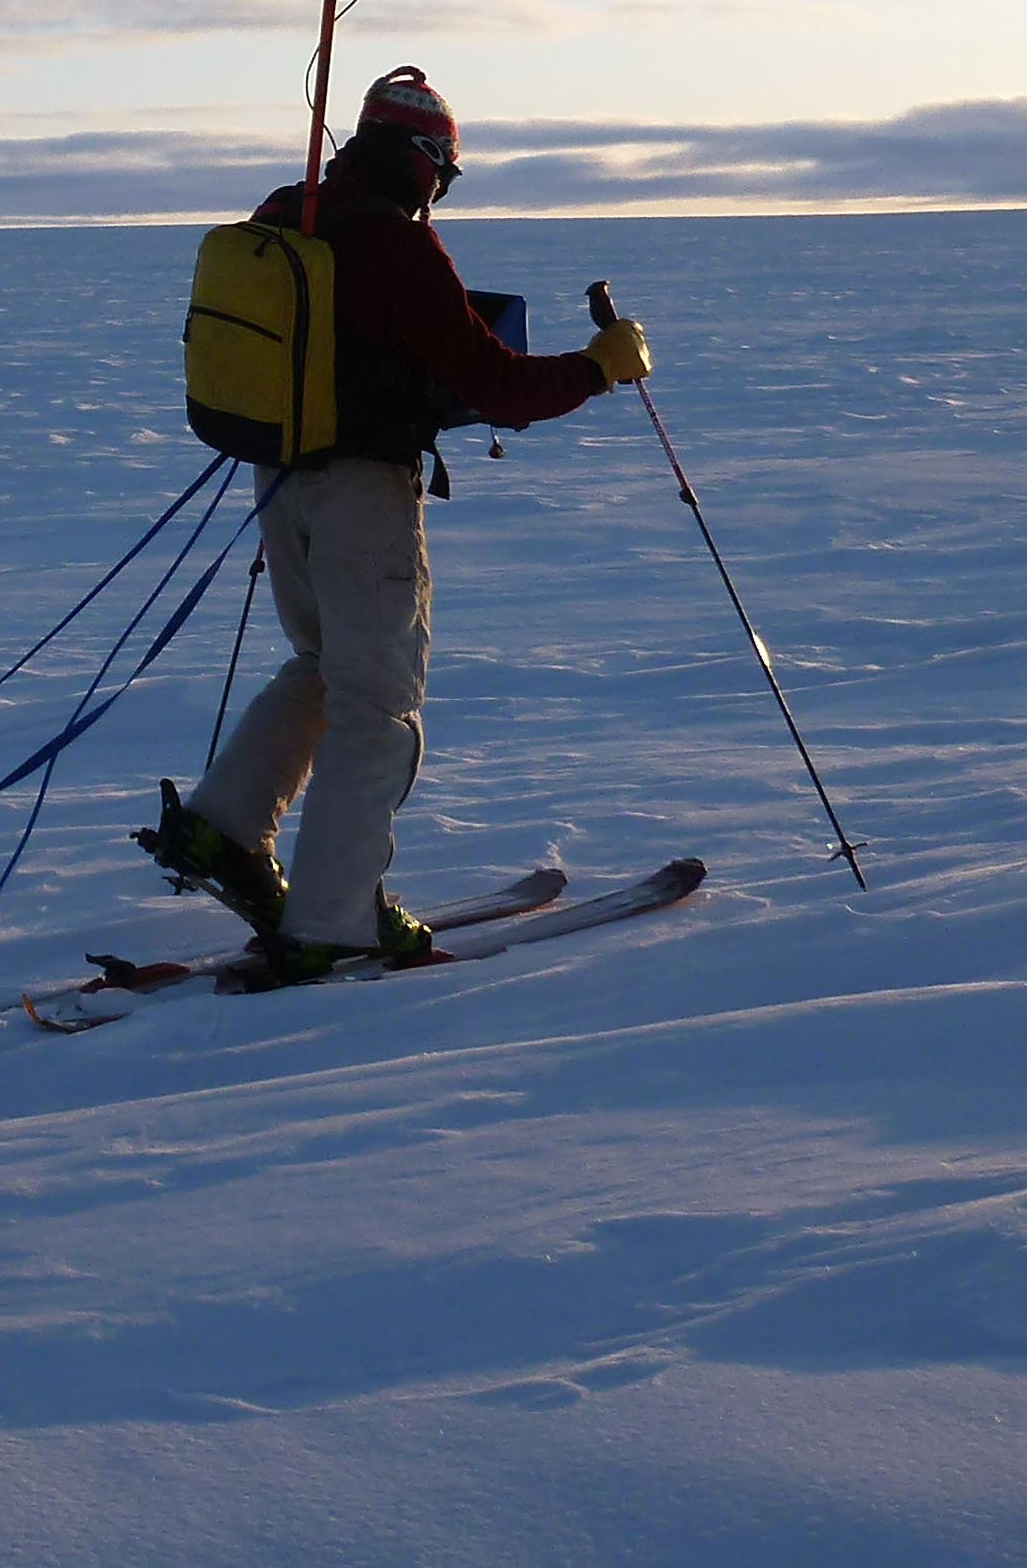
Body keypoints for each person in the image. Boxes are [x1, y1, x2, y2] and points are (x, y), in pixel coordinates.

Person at [140, 67, 652, 981]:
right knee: (378, 707)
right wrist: (597, 368)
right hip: (360, 497)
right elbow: (497, 385)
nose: (443, 188)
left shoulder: (289, 211)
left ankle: (221, 829)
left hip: (279, 476)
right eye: (445, 170)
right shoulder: (397, 248)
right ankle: (333, 921)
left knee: (324, 665)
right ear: (424, 159)